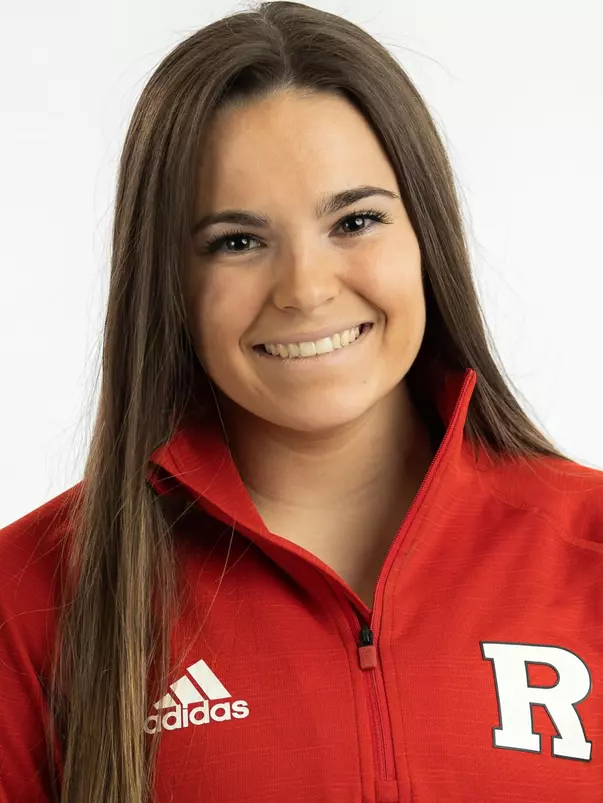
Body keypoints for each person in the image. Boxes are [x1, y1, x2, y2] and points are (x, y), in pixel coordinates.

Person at [1, 2, 602, 801]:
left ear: (426, 234)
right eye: (236, 241)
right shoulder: (29, 599)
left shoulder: (589, 550)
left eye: (354, 221)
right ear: (168, 282)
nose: (306, 290)